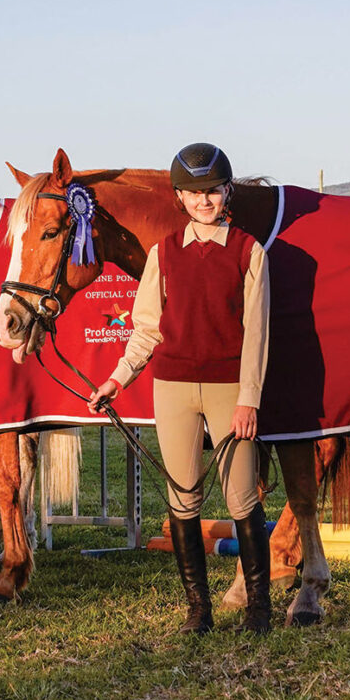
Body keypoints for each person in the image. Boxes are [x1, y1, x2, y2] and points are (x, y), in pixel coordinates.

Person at [87, 142, 272, 634]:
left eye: (212, 191)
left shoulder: (249, 251)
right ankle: (199, 609)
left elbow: (258, 332)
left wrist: (248, 398)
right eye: (193, 193)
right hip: (172, 387)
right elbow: (146, 329)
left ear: (226, 192)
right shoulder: (162, 254)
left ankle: (258, 608)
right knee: (183, 498)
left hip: (229, 387)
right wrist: (116, 379)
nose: (204, 201)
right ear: (180, 198)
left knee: (240, 498)